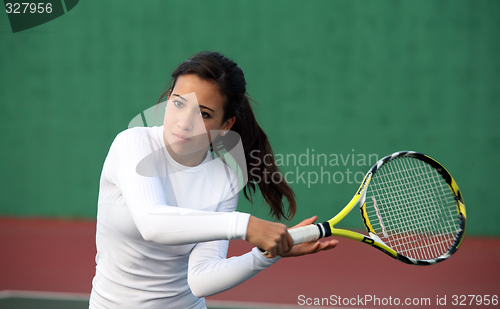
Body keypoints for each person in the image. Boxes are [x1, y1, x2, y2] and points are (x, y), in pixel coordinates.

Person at [89, 51, 338, 309]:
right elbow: (152, 223)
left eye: (204, 114)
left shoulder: (225, 177)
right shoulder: (133, 144)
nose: (184, 122)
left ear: (226, 124)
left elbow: (201, 280)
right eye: (178, 103)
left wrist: (265, 256)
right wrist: (247, 225)